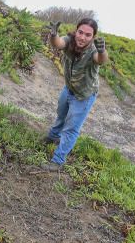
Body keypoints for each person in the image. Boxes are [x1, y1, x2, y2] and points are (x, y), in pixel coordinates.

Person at [42, 18, 108, 170]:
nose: (82, 37)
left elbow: (100, 60)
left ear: (93, 37)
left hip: (84, 96)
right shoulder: (70, 41)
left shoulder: (93, 51)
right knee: (61, 114)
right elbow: (58, 44)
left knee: (71, 127)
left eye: (88, 35)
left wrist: (102, 51)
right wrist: (53, 34)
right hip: (69, 88)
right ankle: (52, 137)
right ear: (76, 31)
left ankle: (58, 160)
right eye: (80, 32)